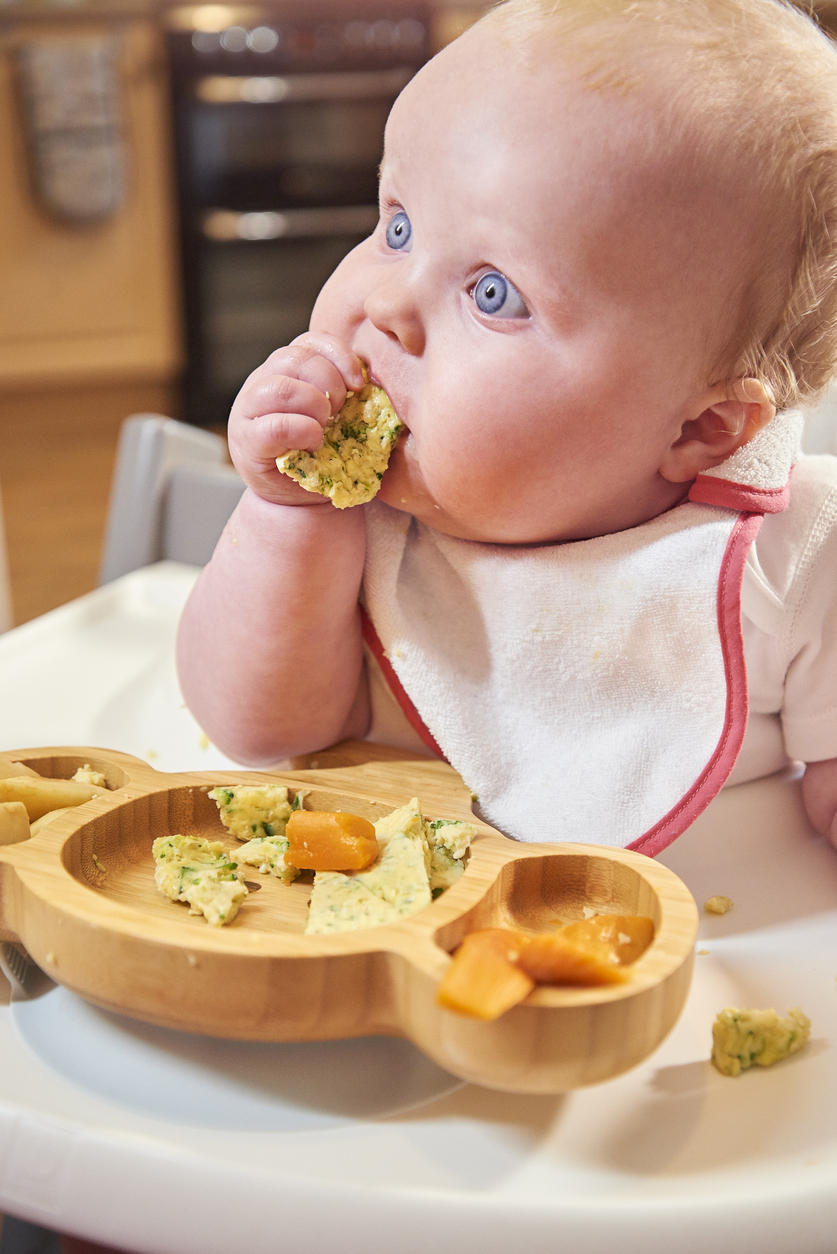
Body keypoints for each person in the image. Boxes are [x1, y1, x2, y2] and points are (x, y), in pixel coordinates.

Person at [177, 0, 837, 854]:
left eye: (493, 293)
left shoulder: (796, 558)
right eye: (397, 225)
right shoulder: (369, 519)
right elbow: (257, 728)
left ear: (703, 427)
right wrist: (286, 514)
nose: (384, 303)